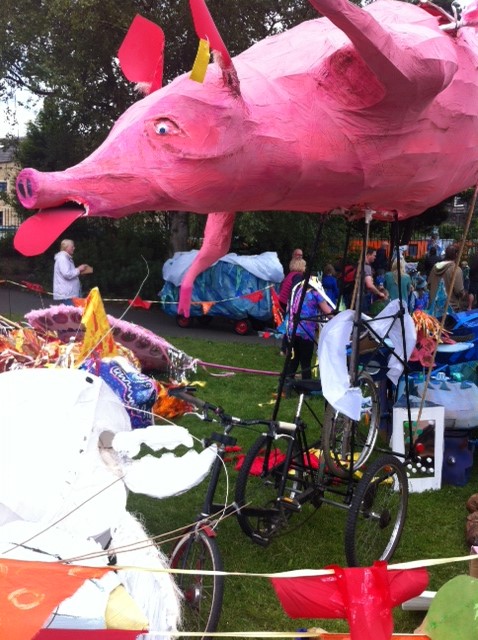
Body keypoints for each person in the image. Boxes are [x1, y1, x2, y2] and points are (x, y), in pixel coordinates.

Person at [285, 276, 333, 380]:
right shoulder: (316, 294)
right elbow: (328, 312)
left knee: (294, 359)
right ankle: (305, 388)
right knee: (306, 362)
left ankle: (286, 385)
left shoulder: (298, 292)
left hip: (293, 331)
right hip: (306, 332)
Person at [278, 258, 306, 355]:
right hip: (289, 302)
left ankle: (285, 348)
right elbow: (295, 291)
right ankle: (286, 348)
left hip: (283, 300)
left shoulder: (290, 275)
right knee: (290, 325)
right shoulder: (298, 276)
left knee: (288, 324)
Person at [428, 244, 467, 313]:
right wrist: (464, 294)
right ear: (456, 255)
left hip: (434, 308)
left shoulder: (435, 267)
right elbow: (459, 291)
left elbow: (429, 285)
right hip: (450, 310)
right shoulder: (456, 270)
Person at [53, 239, 92, 304]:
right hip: (67, 294)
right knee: (71, 313)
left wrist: (80, 271)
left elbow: (69, 272)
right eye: (72, 246)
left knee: (73, 313)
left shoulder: (66, 258)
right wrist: (79, 269)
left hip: (69, 293)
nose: (74, 248)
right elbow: (67, 274)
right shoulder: (63, 258)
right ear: (66, 247)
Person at [362, 248, 387, 313]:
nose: (375, 257)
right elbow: (369, 285)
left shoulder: (360, 265)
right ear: (368, 255)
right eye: (374, 255)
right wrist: (379, 293)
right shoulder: (366, 267)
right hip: (363, 297)